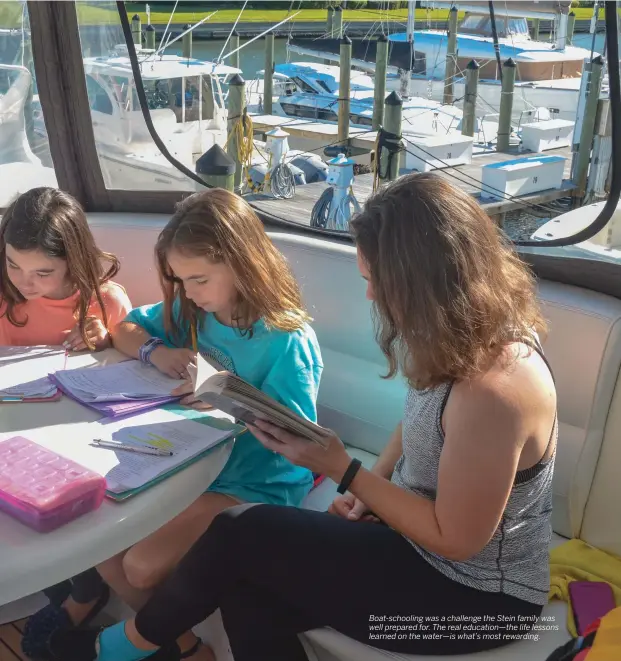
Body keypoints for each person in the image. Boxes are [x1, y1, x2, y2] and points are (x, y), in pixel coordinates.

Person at [49, 172, 557, 661]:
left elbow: (458, 541)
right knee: (245, 585)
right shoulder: (463, 341)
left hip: (477, 603)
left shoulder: (496, 391)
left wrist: (346, 470)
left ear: (423, 279)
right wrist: (368, 490)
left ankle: (120, 647)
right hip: (412, 548)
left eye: (377, 279)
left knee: (240, 533)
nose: (371, 295)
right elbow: (418, 425)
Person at [90, 188, 321, 661]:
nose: (187, 293)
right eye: (180, 280)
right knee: (97, 549)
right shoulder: (194, 311)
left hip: (257, 482)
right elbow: (126, 328)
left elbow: (297, 437)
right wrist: (159, 350)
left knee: (138, 565)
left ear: (242, 263)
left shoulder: (287, 340)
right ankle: (188, 649)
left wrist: (225, 399)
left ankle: (158, 646)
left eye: (198, 279)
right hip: (189, 467)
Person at [0, 187, 132, 657]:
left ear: (73, 260)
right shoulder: (4, 293)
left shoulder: (105, 303)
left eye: (41, 272)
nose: (23, 281)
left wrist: (104, 340)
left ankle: (82, 590)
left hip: (72, 448)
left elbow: (130, 385)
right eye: (13, 264)